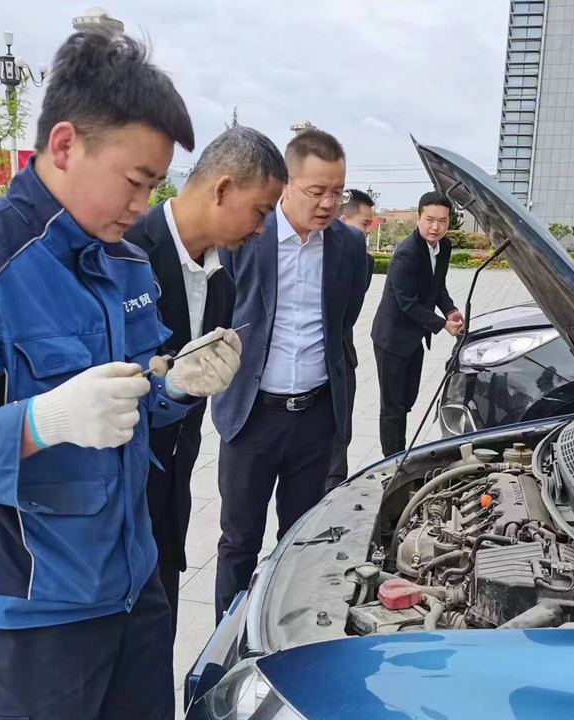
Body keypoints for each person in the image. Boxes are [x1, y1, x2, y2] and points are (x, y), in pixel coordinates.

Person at [0, 32, 242, 720]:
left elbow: (130, 399)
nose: (144, 203)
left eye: (154, 185)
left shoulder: (126, 262)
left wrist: (173, 387)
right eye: (135, 181)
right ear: (66, 145)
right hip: (34, 610)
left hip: (133, 583)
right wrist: (41, 422)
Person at [123, 125, 286, 636]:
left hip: (171, 489)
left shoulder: (222, 282)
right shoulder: (124, 250)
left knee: (159, 629)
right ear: (223, 188)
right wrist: (168, 387)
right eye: (260, 211)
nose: (261, 229)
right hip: (113, 498)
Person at [212, 129, 368, 621]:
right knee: (239, 541)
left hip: (315, 418)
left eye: (337, 192)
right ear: (285, 184)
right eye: (316, 191)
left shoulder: (349, 246)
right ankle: (225, 641)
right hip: (252, 416)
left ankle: (289, 635)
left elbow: (344, 323)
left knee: (301, 541)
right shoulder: (246, 237)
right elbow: (221, 310)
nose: (328, 203)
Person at [371, 191, 462, 457]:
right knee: (392, 407)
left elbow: (437, 286)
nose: (436, 227)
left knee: (407, 401)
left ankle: (401, 452)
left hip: (414, 337)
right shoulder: (406, 253)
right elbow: (407, 303)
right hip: (391, 339)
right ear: (419, 218)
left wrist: (451, 310)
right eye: (430, 219)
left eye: (442, 221)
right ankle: (392, 460)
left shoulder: (443, 246)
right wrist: (443, 324)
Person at [324, 189, 376, 492]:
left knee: (341, 433)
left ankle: (334, 491)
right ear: (342, 222)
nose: (367, 232)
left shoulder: (362, 261)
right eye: (364, 224)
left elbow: (347, 315)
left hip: (342, 356)